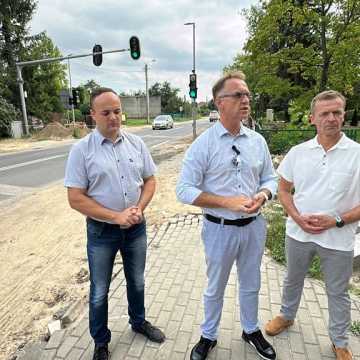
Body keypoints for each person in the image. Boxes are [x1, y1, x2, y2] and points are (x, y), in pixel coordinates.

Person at [176, 71, 278, 360]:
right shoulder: (204, 145)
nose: (245, 99)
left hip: (254, 227)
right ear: (220, 102)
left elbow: (270, 178)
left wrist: (263, 195)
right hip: (219, 229)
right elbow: (183, 189)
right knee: (215, 286)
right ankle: (208, 335)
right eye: (238, 95)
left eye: (247, 94)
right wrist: (226, 202)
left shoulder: (257, 141)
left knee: (251, 283)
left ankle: (250, 329)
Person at [64, 88, 165, 360]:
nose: (113, 117)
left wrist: (138, 210)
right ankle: (101, 342)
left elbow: (150, 180)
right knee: (99, 290)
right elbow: (75, 198)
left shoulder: (136, 143)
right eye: (106, 112)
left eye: (117, 111)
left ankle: (138, 321)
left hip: (136, 228)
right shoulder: (81, 151)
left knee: (137, 281)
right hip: (101, 232)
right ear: (93, 115)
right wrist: (115, 216)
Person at [265, 90, 360, 360]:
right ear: (312, 119)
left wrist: (337, 220)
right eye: (325, 114)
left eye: (337, 113)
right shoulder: (298, 153)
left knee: (338, 292)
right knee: (292, 280)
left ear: (344, 115)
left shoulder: (357, 154)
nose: (331, 118)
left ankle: (339, 341)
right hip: (298, 234)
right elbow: (283, 190)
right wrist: (296, 217)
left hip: (338, 238)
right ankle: (286, 316)